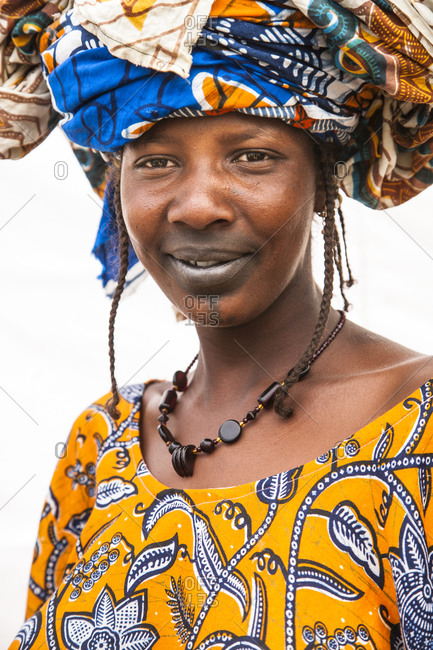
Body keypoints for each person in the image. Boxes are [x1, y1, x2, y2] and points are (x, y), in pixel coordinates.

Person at [5, 0, 433, 648]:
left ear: (322, 178)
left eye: (251, 156)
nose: (198, 205)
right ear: (115, 184)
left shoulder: (417, 433)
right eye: (155, 160)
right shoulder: (99, 448)